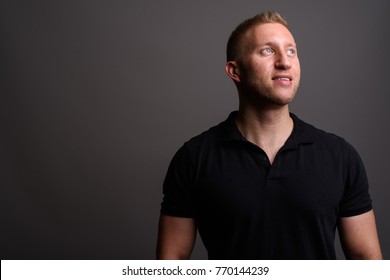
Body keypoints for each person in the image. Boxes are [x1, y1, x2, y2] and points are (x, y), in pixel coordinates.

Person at [156, 11, 382, 259]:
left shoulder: (340, 156)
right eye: (267, 51)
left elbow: (367, 262)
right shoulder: (194, 158)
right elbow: (171, 264)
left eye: (291, 51)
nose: (284, 62)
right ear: (235, 71)